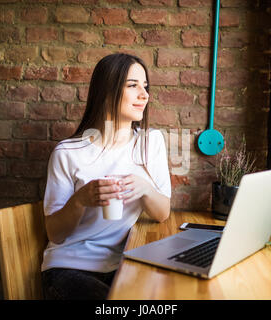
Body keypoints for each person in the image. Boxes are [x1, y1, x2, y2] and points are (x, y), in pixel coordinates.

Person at [41, 53, 172, 300]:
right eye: (133, 86)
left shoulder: (150, 143)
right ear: (107, 91)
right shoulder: (68, 152)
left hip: (122, 265)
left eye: (145, 86)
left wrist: (145, 188)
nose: (144, 95)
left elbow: (162, 213)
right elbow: (55, 234)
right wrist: (80, 200)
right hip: (70, 268)